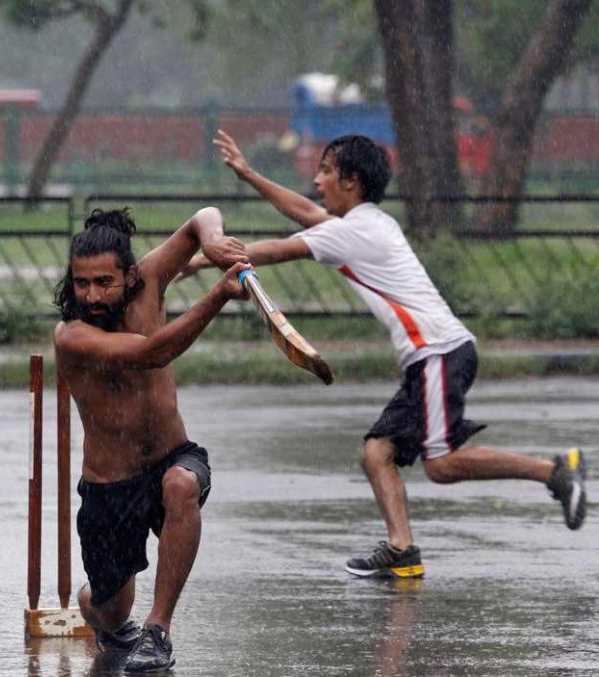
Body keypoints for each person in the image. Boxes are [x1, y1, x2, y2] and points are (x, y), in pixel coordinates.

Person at [184, 129, 587, 579]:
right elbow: (304, 212)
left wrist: (194, 259)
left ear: (351, 181)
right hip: (433, 356)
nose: (317, 181)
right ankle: (402, 550)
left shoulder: (353, 233)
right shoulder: (368, 223)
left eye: (325, 171)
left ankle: (555, 470)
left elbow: (276, 249)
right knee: (377, 453)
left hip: (437, 352)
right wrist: (248, 174)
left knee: (442, 464)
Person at [53, 206, 249, 672]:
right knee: (108, 608)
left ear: (131, 274)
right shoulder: (71, 335)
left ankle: (158, 630)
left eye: (105, 282)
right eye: (82, 283)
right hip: (109, 484)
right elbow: (150, 351)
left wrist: (215, 241)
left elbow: (202, 217)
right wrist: (219, 293)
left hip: (171, 455)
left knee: (181, 485)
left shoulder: (153, 278)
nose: (93, 295)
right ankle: (101, 611)